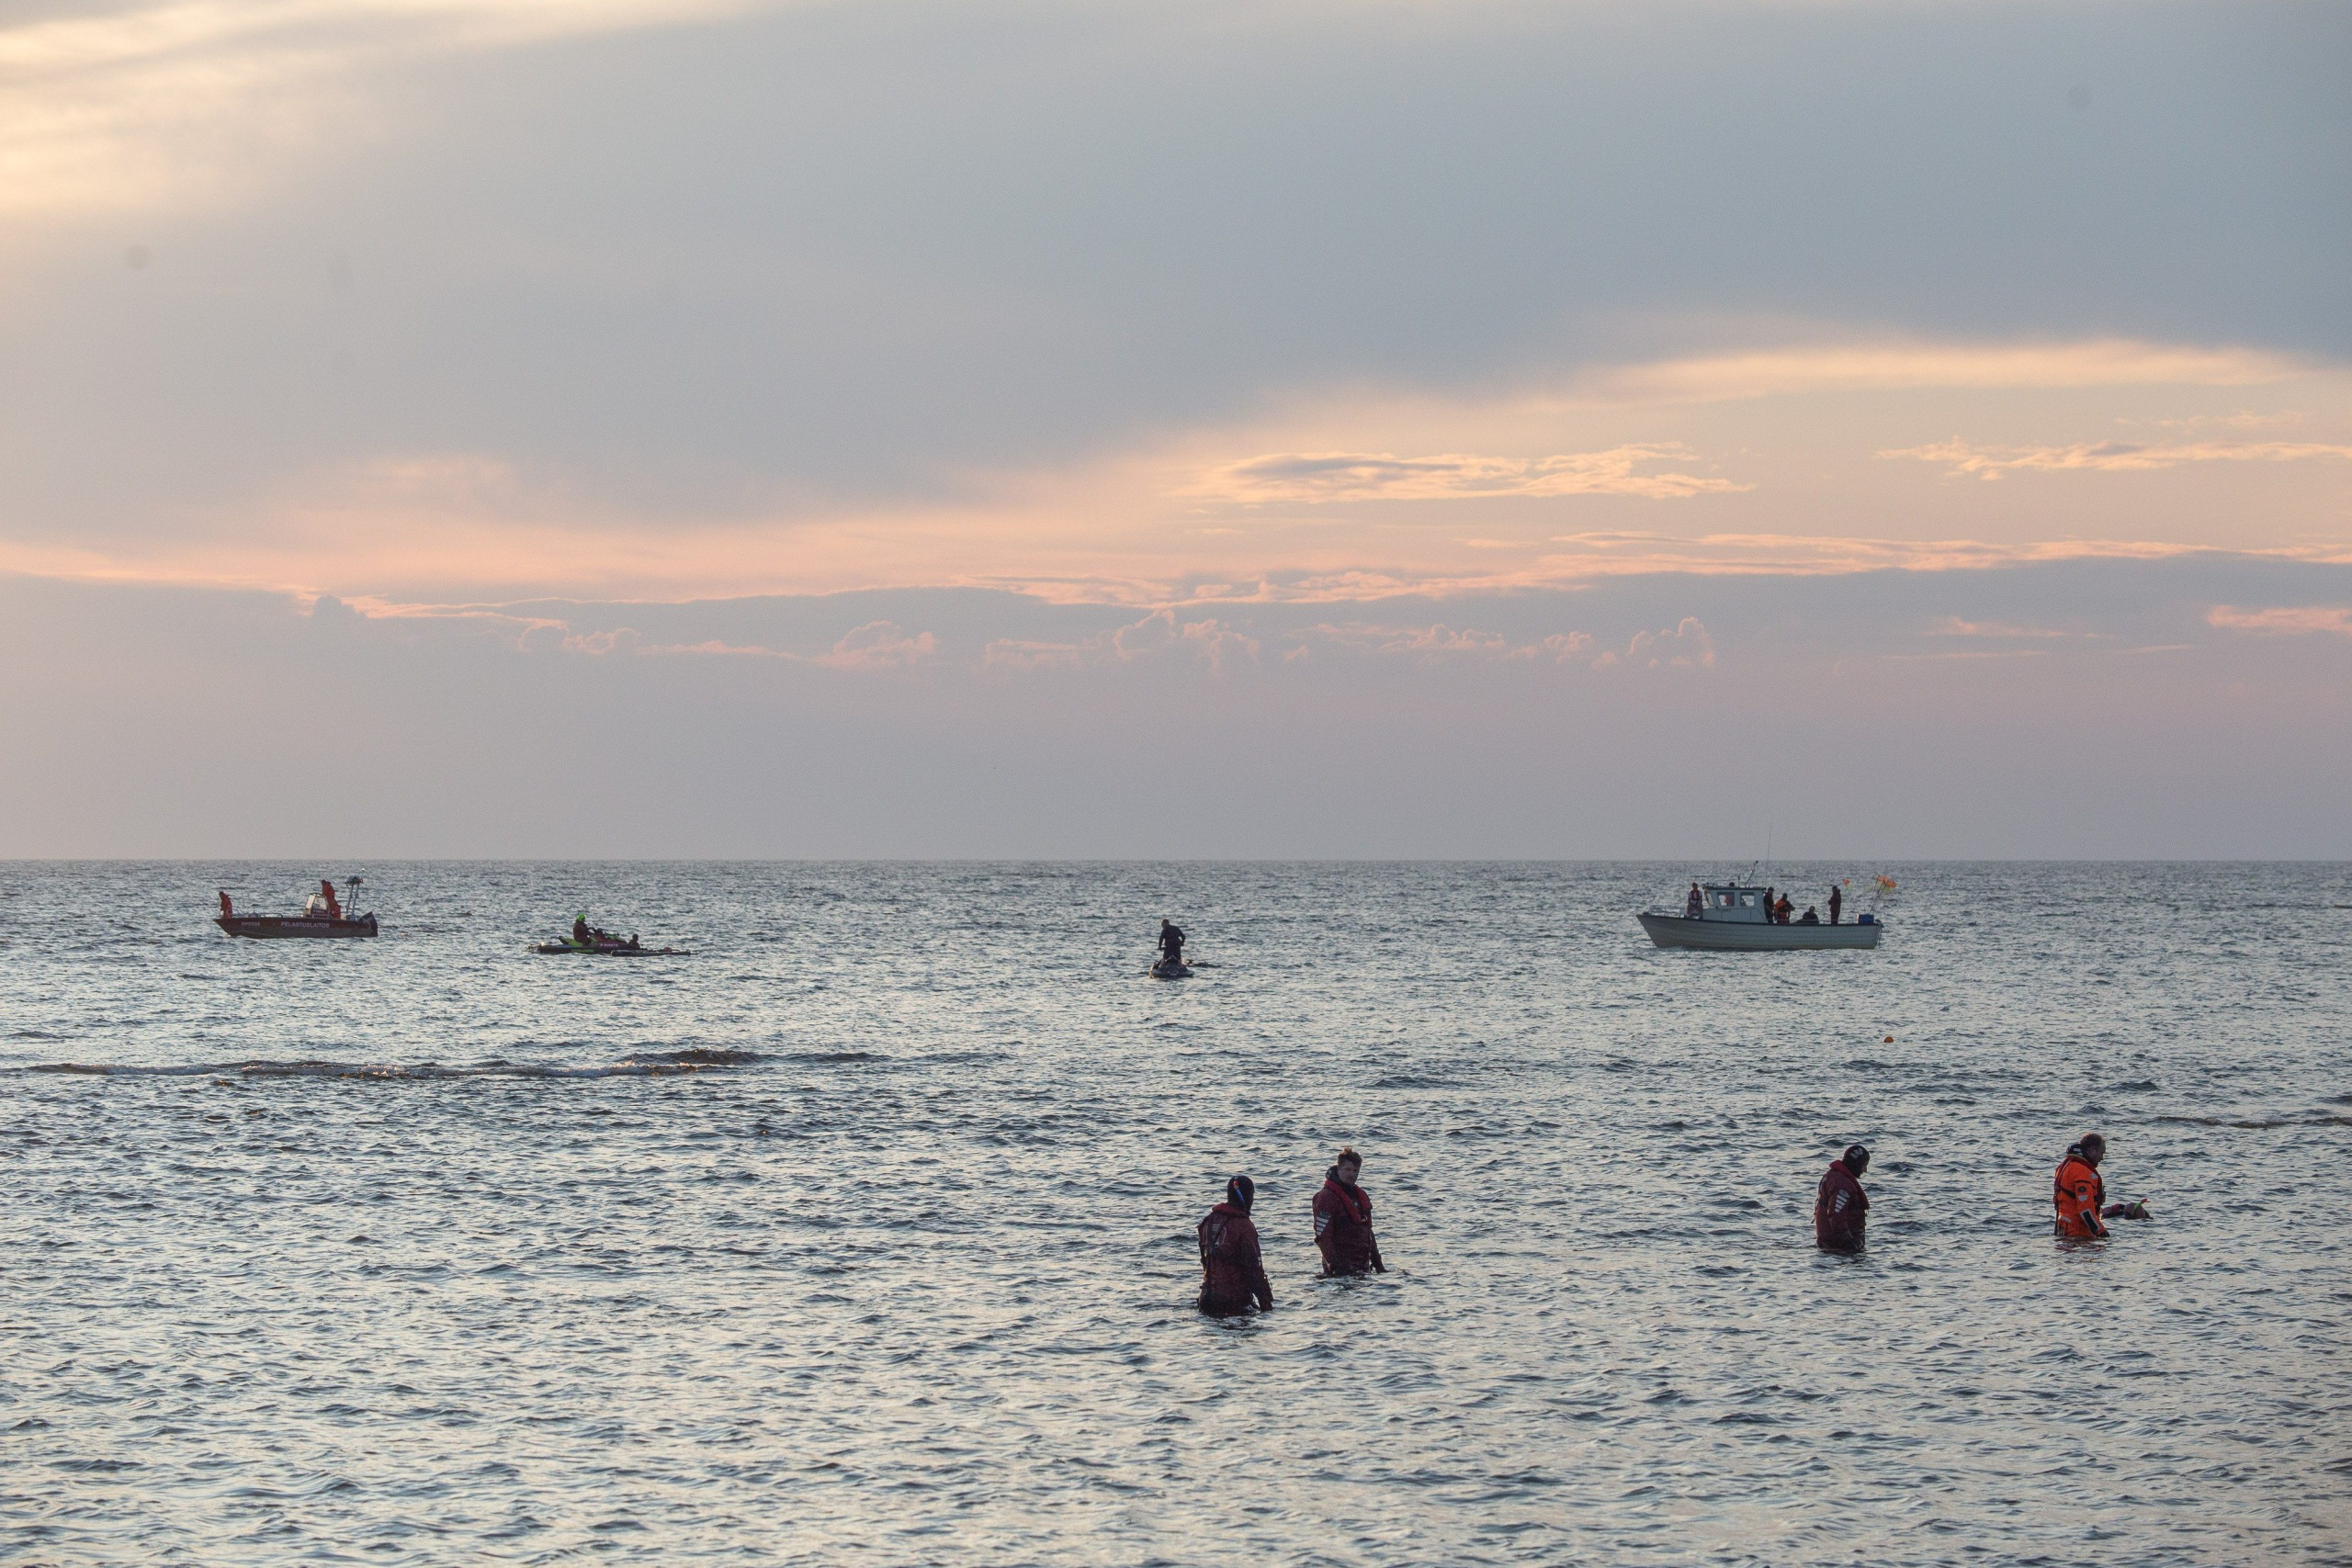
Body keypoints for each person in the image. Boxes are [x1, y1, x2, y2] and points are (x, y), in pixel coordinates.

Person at [1199, 1175, 1272, 1314]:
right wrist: (1267, 1306)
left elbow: (1205, 1261)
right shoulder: (1244, 1226)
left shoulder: (1208, 1222)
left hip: (1206, 1299)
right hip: (1232, 1302)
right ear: (1247, 1198)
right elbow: (1254, 1270)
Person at [2053, 1134, 2149, 1238]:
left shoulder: (2066, 1166)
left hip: (2065, 1229)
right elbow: (2085, 1210)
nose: (2102, 1158)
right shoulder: (2081, 1172)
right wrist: (2102, 1233)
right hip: (2077, 1232)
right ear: (2092, 1150)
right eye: (2101, 1153)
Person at [1313, 1147, 1386, 1277]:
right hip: (1338, 1270)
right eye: (1347, 1170)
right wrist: (1336, 1268)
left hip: (1362, 1269)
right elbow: (1323, 1237)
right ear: (1338, 1169)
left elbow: (1369, 1232)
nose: (1352, 1174)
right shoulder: (1326, 1197)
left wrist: (1379, 1266)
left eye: (1355, 1170)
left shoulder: (1361, 1196)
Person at [1815, 1144, 1870, 1252]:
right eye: (1863, 1165)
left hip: (1828, 1244)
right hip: (1839, 1247)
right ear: (1856, 1164)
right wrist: (1849, 1244)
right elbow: (1836, 1215)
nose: (1865, 1170)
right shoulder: (1842, 1184)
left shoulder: (1831, 1176)